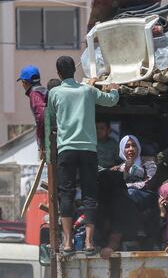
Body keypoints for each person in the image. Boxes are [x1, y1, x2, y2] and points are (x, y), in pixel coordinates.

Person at [46, 55, 119, 255]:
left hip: (66, 150)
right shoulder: (87, 90)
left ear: (59, 74)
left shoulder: (55, 93)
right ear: (74, 71)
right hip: (88, 150)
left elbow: (50, 119)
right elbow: (111, 101)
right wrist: (114, 88)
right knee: (90, 195)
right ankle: (88, 243)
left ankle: (68, 243)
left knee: (66, 194)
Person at [113, 135, 157, 210]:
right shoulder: (119, 168)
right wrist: (126, 170)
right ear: (122, 150)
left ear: (138, 148)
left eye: (134, 145)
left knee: (130, 193)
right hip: (126, 196)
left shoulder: (149, 163)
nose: (131, 149)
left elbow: (150, 182)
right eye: (127, 146)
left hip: (145, 194)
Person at [17, 65, 47, 160]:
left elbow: (41, 116)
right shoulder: (44, 91)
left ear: (25, 82)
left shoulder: (35, 94)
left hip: (49, 140)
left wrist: (41, 143)